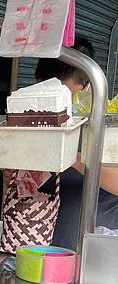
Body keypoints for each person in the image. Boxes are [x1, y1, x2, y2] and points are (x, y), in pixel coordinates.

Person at [24, 37, 118, 250]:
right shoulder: (42, 120)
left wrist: (74, 158)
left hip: (95, 251)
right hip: (41, 246)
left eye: (61, 93)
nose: (52, 102)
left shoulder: (110, 125)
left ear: (88, 87)